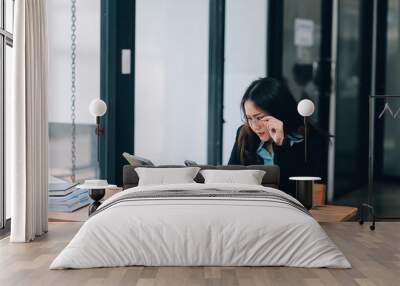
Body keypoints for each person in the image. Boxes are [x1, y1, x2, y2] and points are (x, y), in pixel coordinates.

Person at [228, 77, 326, 197]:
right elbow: (230, 179)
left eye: (259, 118)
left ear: (279, 113)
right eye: (249, 118)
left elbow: (300, 193)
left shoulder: (310, 140)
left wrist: (280, 144)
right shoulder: (245, 135)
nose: (255, 126)